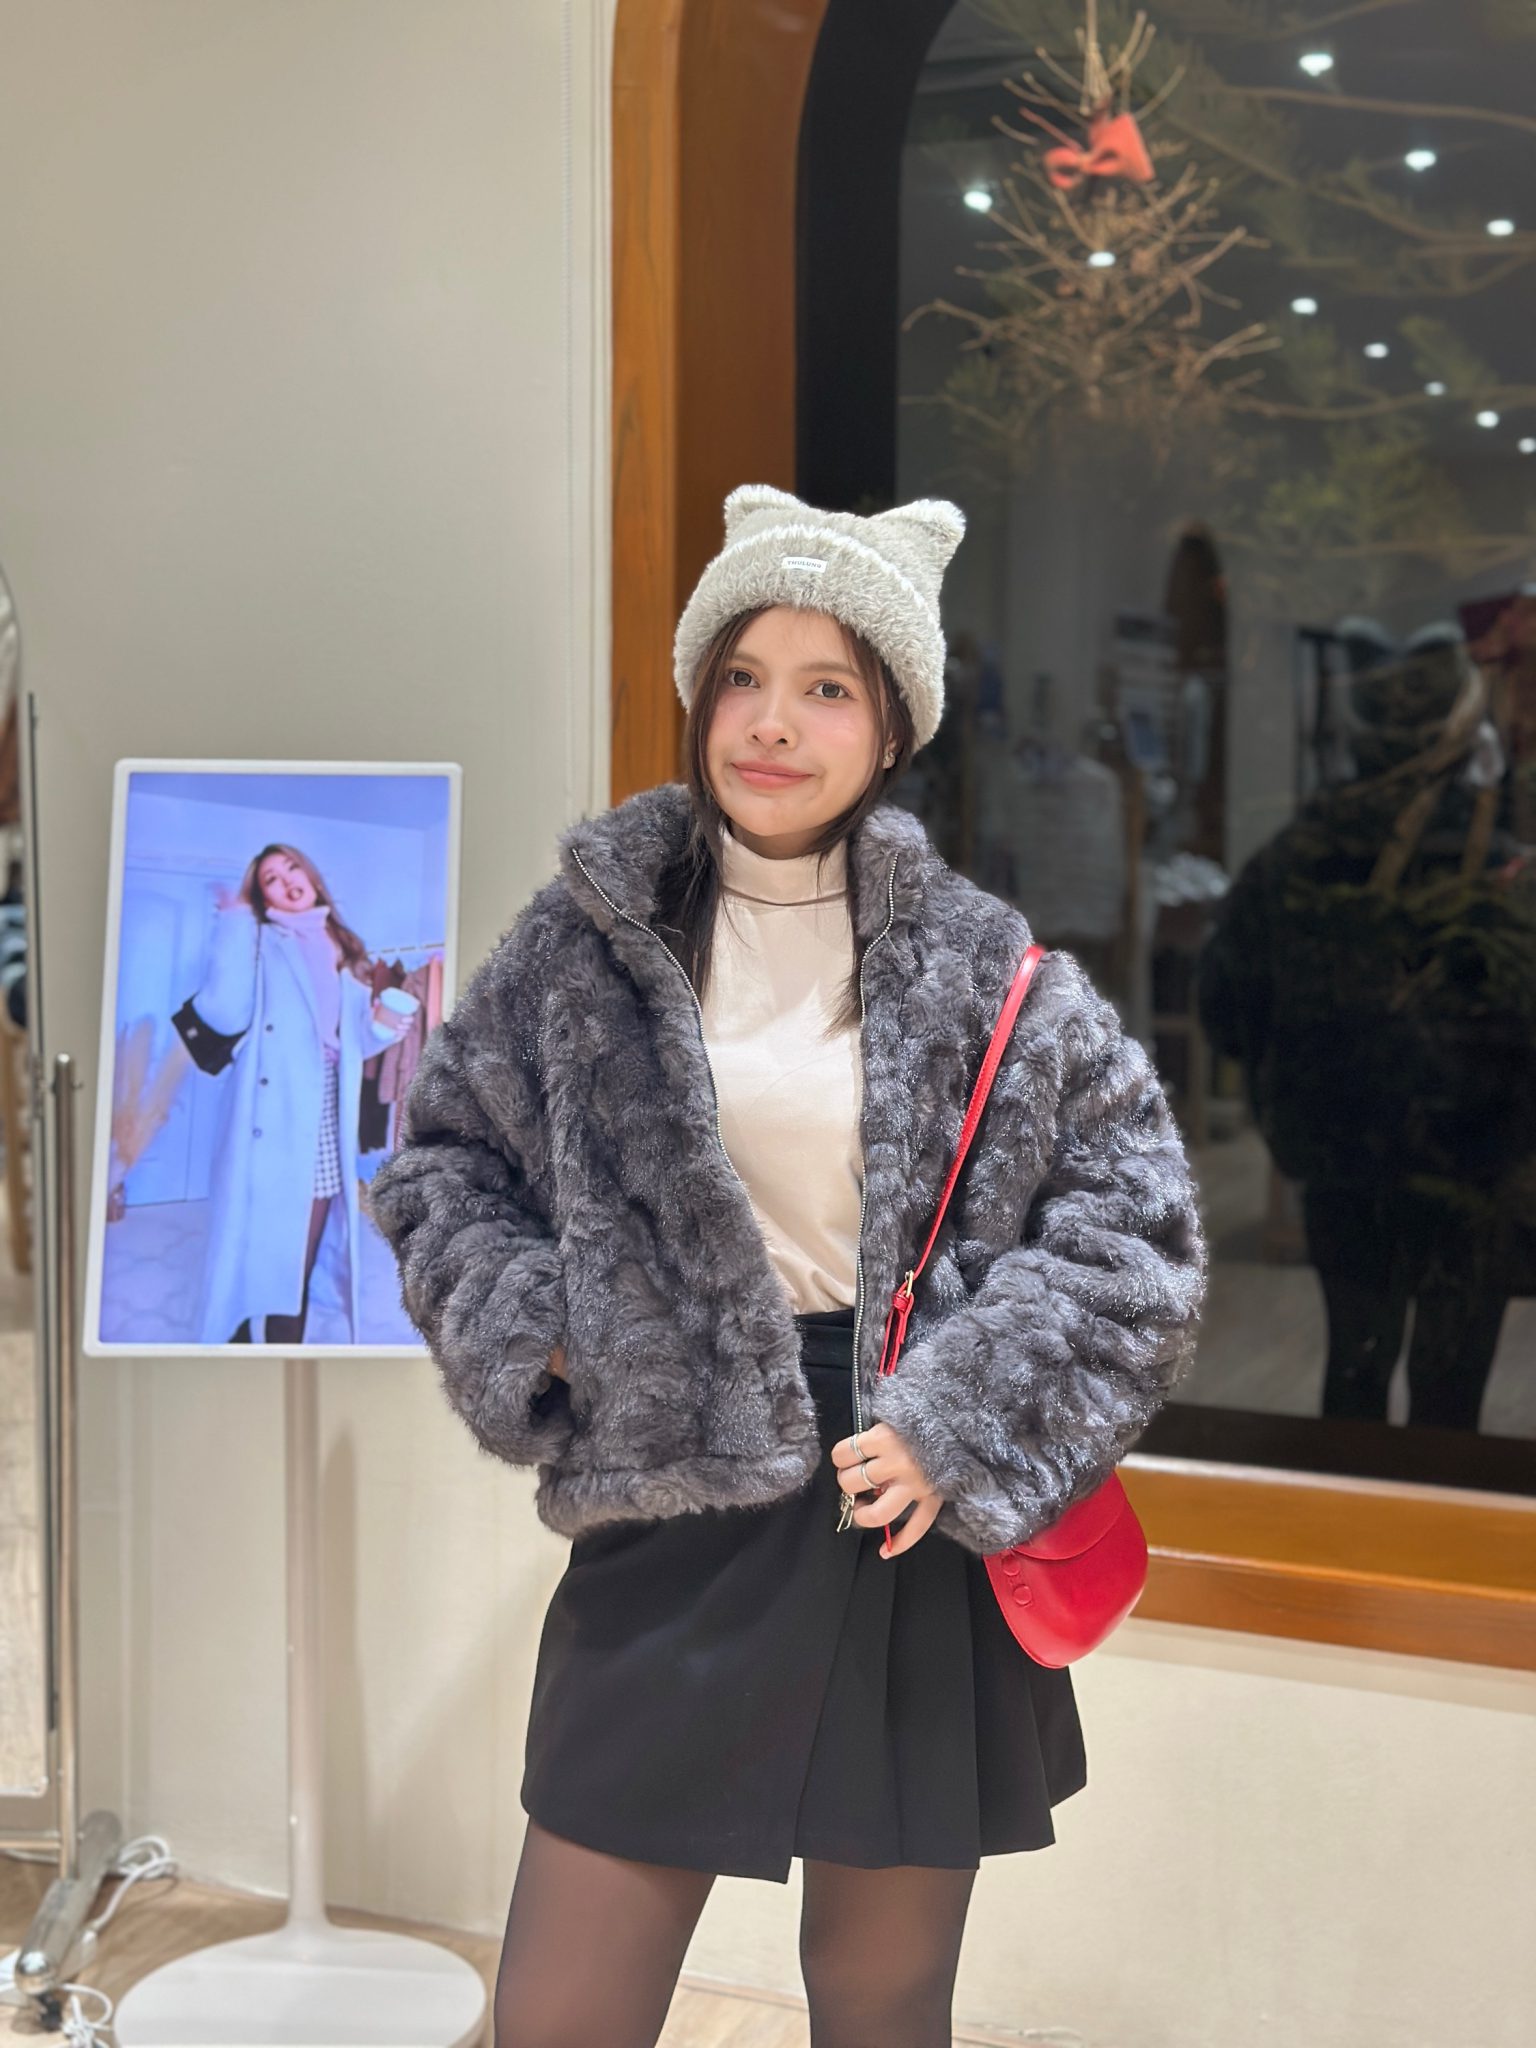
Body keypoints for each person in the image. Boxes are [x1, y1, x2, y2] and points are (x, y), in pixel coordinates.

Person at [369, 484, 1206, 2048]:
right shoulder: (588, 941)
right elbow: (444, 1166)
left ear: (891, 728)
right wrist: (548, 1329)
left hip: (903, 1499)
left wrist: (966, 1421)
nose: (772, 722)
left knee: (883, 2005)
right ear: (701, 696)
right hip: (674, 1486)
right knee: (561, 2011)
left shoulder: (980, 962)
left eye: (827, 688)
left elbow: (1134, 1231)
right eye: (743, 677)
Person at [175, 842, 411, 1345]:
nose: (287, 882)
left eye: (291, 868)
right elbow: (224, 1014)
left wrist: (385, 1026)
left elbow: (350, 1043)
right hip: (269, 1112)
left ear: (310, 875)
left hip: (323, 1112)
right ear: (263, 899)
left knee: (296, 1264)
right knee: (249, 1256)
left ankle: (284, 1358)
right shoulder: (261, 938)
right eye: (271, 880)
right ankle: (238, 1349)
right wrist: (234, 924)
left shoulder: (343, 945)